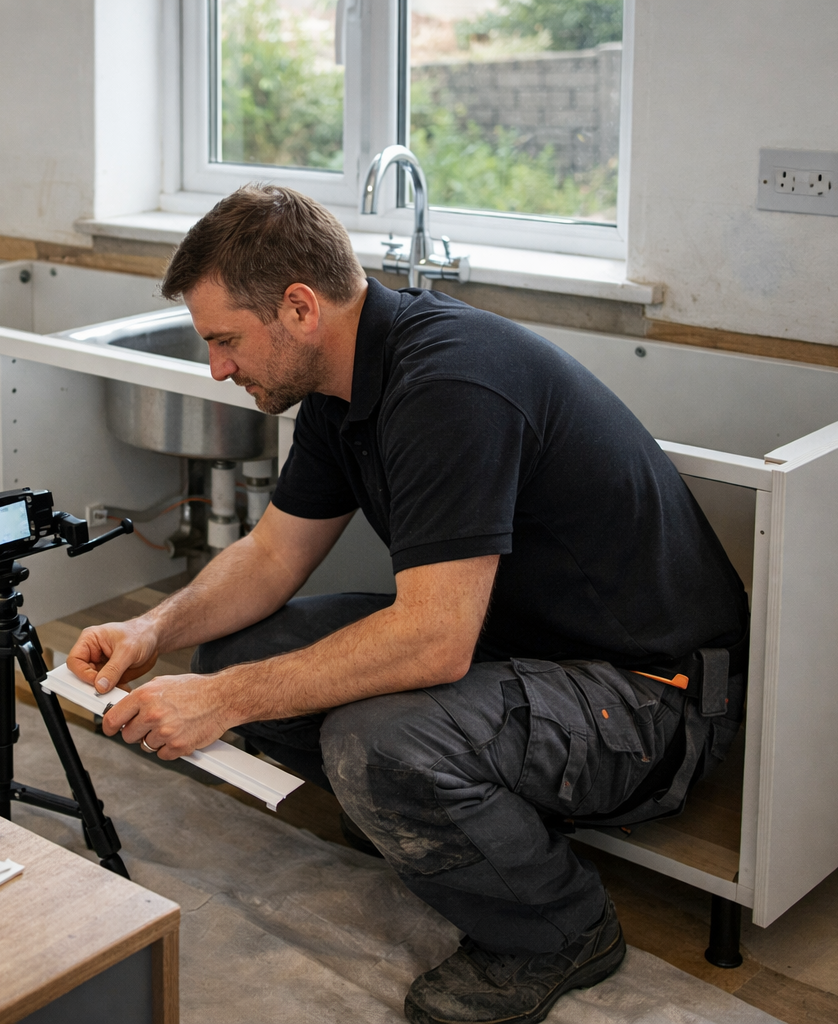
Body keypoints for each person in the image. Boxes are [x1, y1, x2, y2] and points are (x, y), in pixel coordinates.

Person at [66, 185, 748, 1024]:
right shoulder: (339, 386)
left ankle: (559, 930)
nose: (217, 367)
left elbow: (433, 643)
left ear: (299, 307)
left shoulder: (451, 384)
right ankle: (450, 819)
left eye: (225, 340)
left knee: (375, 740)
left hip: (649, 698)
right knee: (236, 654)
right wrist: (152, 629)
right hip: (514, 647)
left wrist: (219, 704)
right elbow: (274, 555)